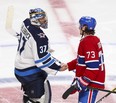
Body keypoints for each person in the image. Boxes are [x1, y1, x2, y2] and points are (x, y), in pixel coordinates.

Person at [14, 8, 67, 103]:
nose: (45, 20)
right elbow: (41, 61)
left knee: (29, 94)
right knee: (41, 99)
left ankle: (28, 96)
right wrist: (58, 67)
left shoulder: (25, 23)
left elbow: (26, 39)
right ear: (35, 19)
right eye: (42, 18)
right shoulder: (40, 38)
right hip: (30, 73)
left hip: (19, 68)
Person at [66, 16, 106, 103]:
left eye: (80, 25)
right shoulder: (93, 40)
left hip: (90, 84)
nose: (79, 27)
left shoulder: (88, 41)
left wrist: (81, 83)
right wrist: (68, 65)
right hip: (88, 83)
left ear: (84, 27)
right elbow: (84, 59)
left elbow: (93, 68)